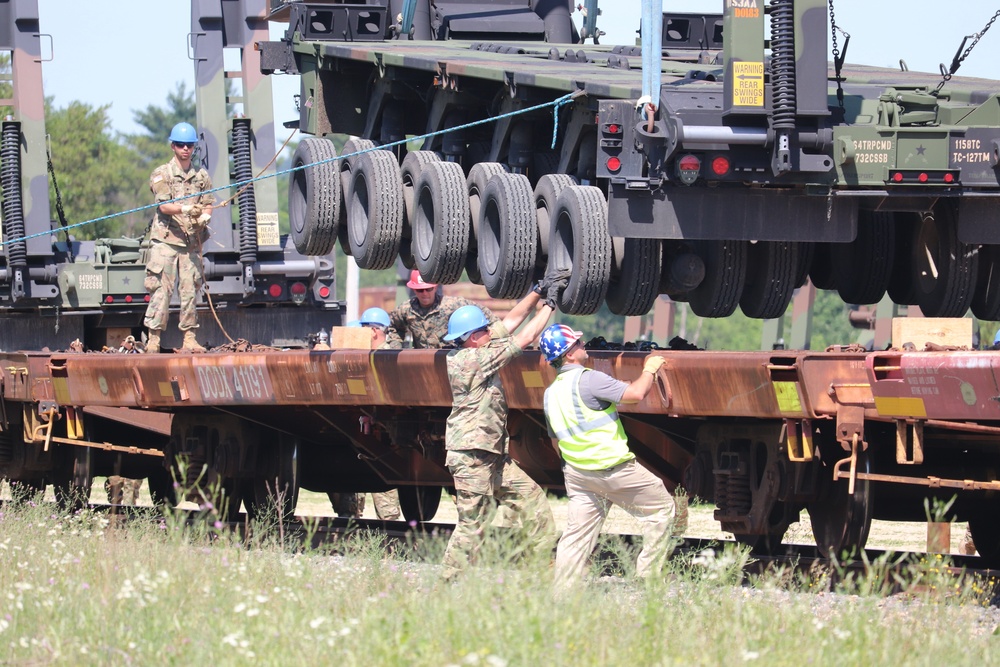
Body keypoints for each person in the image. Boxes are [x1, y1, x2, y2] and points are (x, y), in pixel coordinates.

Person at [439, 276, 565, 581]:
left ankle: (542, 572)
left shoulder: (477, 347)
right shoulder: (470, 361)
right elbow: (522, 338)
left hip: (493, 456)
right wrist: (552, 304)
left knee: (534, 503)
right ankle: (445, 585)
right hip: (471, 457)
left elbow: (510, 322)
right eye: (483, 330)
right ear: (471, 338)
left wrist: (536, 290)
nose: (489, 332)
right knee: (472, 526)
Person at [539, 323, 677, 587]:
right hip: (612, 468)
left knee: (577, 536)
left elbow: (555, 440)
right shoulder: (589, 378)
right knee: (661, 509)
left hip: (579, 475)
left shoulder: (550, 393)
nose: (583, 345)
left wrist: (574, 467)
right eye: (577, 343)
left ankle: (562, 594)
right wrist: (649, 368)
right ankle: (649, 577)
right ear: (569, 354)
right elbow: (636, 394)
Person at [143, 122, 215, 353]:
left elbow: (209, 202)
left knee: (189, 291)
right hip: (165, 242)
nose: (186, 149)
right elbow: (164, 206)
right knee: (160, 291)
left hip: (190, 244)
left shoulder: (201, 177)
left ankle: (190, 339)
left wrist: (205, 217)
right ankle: (153, 339)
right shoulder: (161, 174)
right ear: (173, 146)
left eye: (190, 145)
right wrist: (185, 210)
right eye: (181, 145)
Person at [389, 270, 497, 349]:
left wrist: (494, 336)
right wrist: (397, 349)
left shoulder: (452, 305)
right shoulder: (405, 310)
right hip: (422, 361)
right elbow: (394, 328)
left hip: (449, 359)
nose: (425, 293)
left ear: (435, 287)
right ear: (414, 290)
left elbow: (484, 314)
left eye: (428, 289)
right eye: (420, 290)